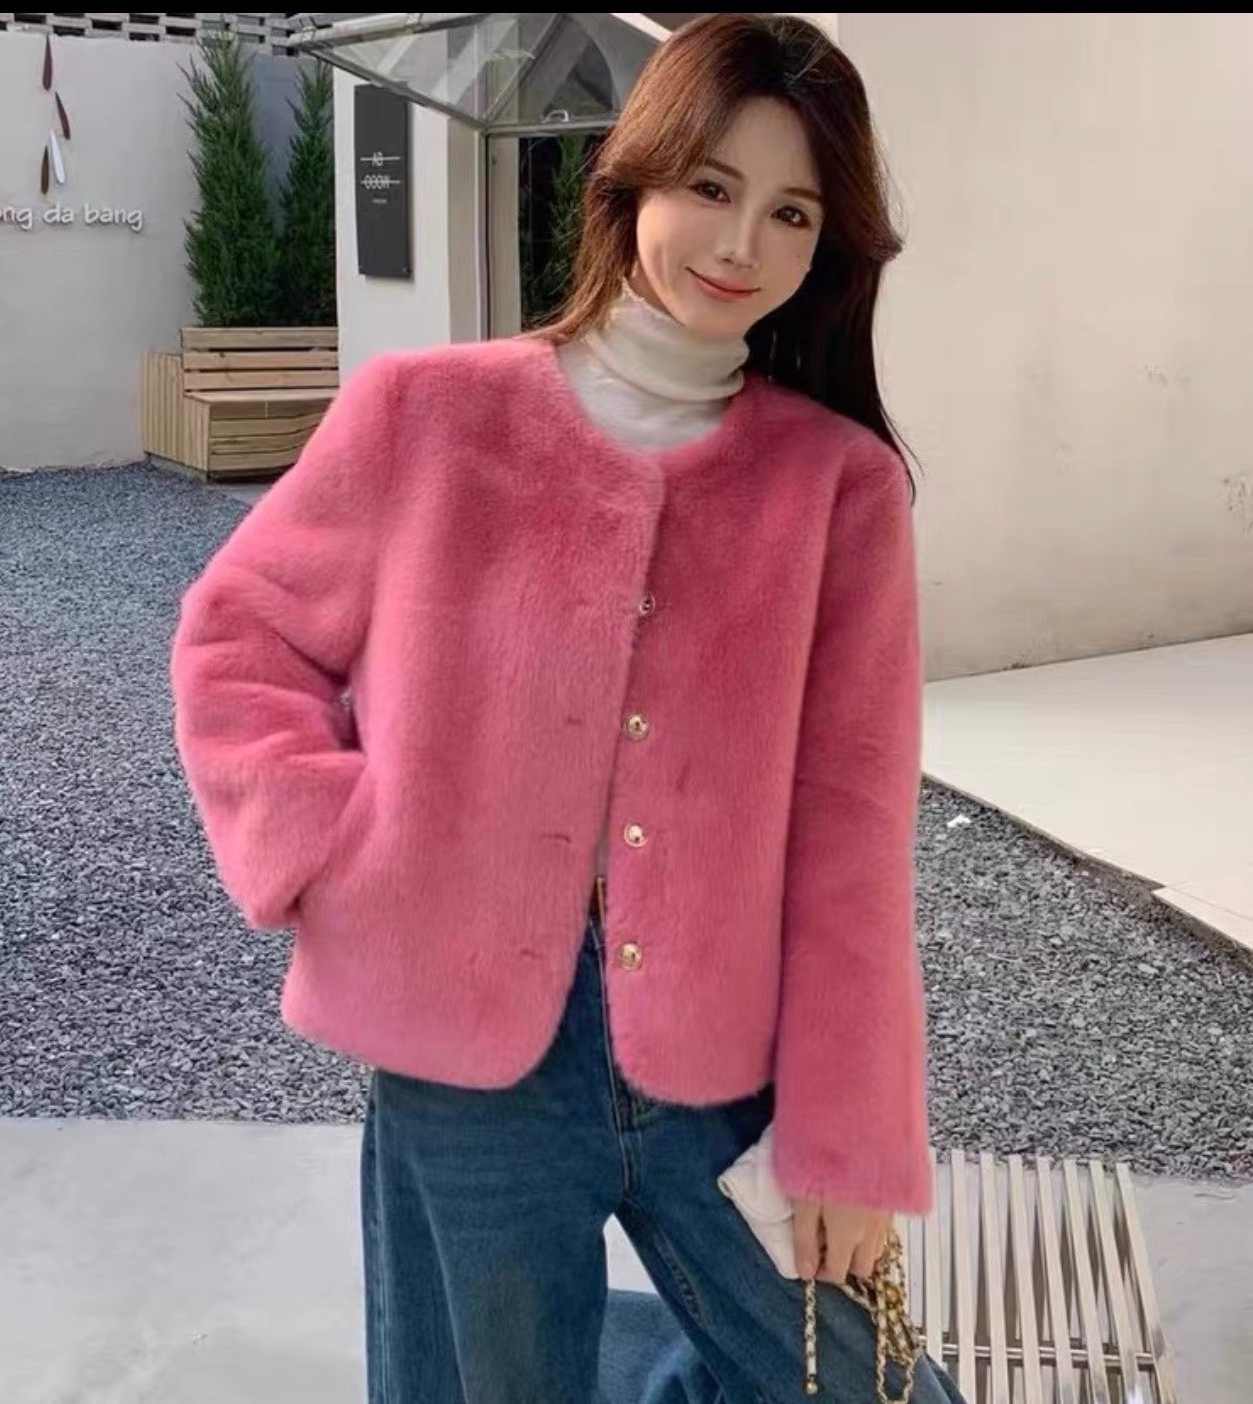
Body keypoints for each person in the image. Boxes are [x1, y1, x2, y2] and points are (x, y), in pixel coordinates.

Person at [170, 14, 968, 1404]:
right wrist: (340, 853)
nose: (741, 244)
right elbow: (238, 641)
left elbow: (850, 828)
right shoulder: (427, 415)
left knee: (865, 1387)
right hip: (463, 1057)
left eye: (792, 213)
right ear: (635, 178)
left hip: (723, 1053)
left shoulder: (835, 489)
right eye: (711, 187)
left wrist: (850, 1138)